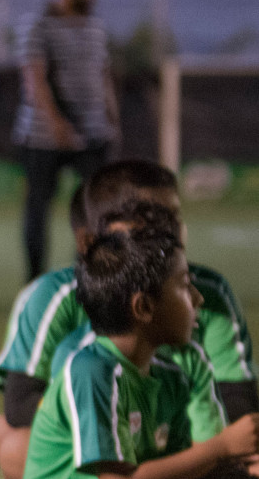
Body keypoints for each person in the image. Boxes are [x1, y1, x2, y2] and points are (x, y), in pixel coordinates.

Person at [20, 224, 259, 479]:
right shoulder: (92, 371)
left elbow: (191, 469)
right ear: (144, 307)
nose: (198, 299)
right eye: (184, 285)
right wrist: (222, 448)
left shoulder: (175, 371)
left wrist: (242, 471)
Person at [82, 160, 255, 419]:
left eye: (174, 218)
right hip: (115, 444)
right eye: (150, 221)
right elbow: (26, 401)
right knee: (9, 439)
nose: (170, 233)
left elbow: (239, 401)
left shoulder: (211, 296)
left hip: (188, 442)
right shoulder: (67, 300)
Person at [15, 0, 118, 280]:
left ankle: (85, 279)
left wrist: (112, 118)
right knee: (38, 209)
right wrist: (58, 123)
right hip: (44, 136)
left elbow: (103, 76)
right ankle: (35, 282)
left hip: (92, 134)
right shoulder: (38, 25)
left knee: (95, 211)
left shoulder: (96, 28)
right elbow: (35, 78)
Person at [0, 185, 92, 479]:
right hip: (96, 440)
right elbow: (19, 404)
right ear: (88, 239)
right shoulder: (52, 297)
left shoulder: (195, 298)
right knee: (5, 438)